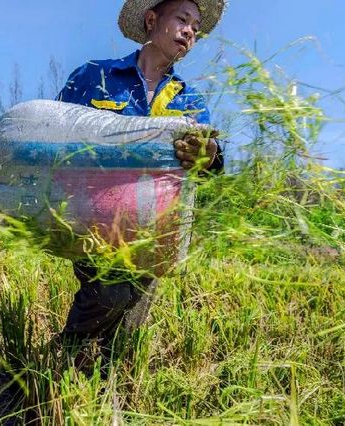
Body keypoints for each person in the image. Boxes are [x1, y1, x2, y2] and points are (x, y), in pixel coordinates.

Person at [56, 0, 227, 361]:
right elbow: (56, 135)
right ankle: (62, 358)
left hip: (155, 230)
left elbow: (208, 165)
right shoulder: (94, 77)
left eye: (196, 27)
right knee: (109, 294)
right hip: (94, 220)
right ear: (151, 20)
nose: (190, 31)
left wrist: (209, 154)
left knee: (125, 334)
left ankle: (93, 386)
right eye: (182, 19)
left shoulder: (190, 101)